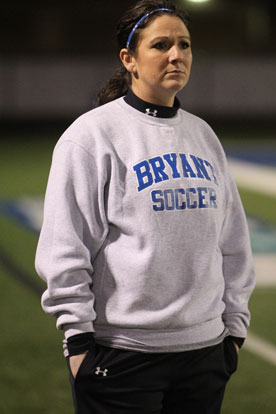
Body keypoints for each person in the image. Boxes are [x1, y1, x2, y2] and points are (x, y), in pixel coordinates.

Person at [35, 1, 256, 413]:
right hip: (122, 356)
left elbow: (233, 243)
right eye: (161, 45)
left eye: (184, 45)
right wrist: (79, 343)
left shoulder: (203, 136)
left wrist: (234, 334)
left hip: (205, 354)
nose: (177, 55)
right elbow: (65, 247)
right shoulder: (92, 136)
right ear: (129, 60)